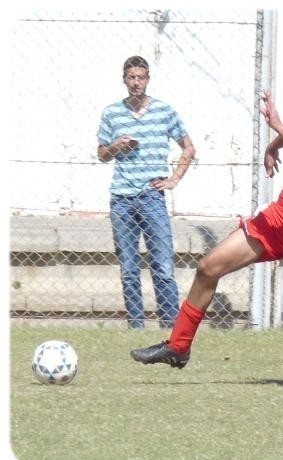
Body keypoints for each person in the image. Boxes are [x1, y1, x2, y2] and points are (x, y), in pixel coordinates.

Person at [130, 60, 283, 387]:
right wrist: (273, 147)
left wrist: (278, 129)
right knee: (208, 267)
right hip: (278, 219)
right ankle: (178, 346)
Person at [97, 55, 196, 329]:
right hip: (121, 199)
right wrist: (117, 147)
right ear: (124, 80)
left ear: (148, 79)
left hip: (152, 197)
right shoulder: (112, 113)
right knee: (129, 269)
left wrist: (174, 179)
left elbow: (189, 147)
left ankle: (170, 327)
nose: (136, 82)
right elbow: (102, 154)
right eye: (131, 77)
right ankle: (136, 327)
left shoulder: (164, 111)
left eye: (140, 77)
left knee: (162, 267)